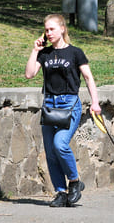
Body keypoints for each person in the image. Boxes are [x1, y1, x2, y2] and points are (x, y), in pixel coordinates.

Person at [25, 14, 101, 207]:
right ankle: (60, 192)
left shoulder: (75, 53)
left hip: (69, 104)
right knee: (51, 152)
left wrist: (95, 102)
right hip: (49, 105)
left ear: (62, 29)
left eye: (52, 29)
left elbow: (88, 78)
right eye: (46, 30)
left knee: (60, 144)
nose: (49, 33)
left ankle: (74, 181)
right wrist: (35, 51)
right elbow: (29, 74)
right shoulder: (45, 53)